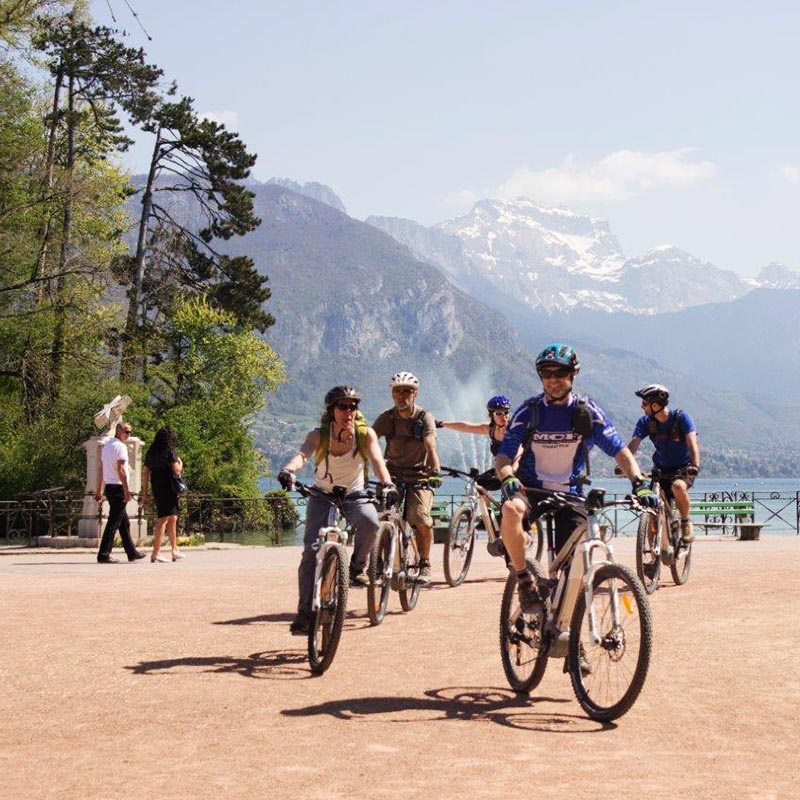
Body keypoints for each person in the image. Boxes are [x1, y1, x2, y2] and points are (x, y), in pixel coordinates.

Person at [495, 343, 656, 614]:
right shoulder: (529, 412)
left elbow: (620, 452)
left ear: (574, 373)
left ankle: (567, 637)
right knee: (511, 509)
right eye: (546, 373)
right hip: (531, 489)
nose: (553, 379)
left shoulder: (587, 413)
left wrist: (638, 483)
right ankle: (524, 580)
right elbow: (503, 457)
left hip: (570, 493)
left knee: (574, 575)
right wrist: (507, 476)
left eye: (560, 372)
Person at [278, 386, 397, 636]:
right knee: (311, 551)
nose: (349, 411)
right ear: (331, 410)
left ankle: (356, 566)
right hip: (322, 494)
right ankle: (304, 613)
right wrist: (289, 470)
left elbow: (377, 462)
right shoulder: (319, 435)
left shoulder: (366, 436)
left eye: (353, 406)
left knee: (371, 522)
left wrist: (387, 484)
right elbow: (303, 455)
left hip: (354, 494)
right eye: (343, 406)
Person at [372, 371, 442, 584]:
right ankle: (379, 562)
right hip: (391, 476)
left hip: (419, 476)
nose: (401, 396)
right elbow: (370, 441)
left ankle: (425, 564)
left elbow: (430, 444)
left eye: (406, 392)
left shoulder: (424, 418)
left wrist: (435, 470)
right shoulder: (387, 417)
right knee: (380, 517)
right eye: (397, 392)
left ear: (415, 394)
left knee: (420, 519)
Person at [625, 384, 700, 545]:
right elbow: (633, 445)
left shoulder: (681, 418)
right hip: (660, 469)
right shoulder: (646, 422)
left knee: (678, 487)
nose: (641, 407)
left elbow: (692, 443)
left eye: (644, 403)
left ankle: (686, 522)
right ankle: (652, 556)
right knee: (653, 506)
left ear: (655, 405)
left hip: (683, 468)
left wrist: (694, 466)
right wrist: (624, 462)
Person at [94, 421, 146, 563]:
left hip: (110, 488)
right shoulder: (121, 447)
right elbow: (121, 470)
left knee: (124, 523)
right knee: (113, 523)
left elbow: (101, 470)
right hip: (118, 488)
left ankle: (132, 553)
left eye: (130, 432)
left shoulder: (107, 447)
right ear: (118, 432)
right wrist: (126, 491)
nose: (129, 435)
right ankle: (103, 554)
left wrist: (99, 490)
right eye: (126, 432)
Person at [141, 426, 185, 563]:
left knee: (172, 518)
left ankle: (174, 550)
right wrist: (180, 462)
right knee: (163, 519)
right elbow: (177, 470)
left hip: (157, 487)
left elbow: (146, 472)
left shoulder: (152, 451)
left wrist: (145, 493)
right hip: (169, 488)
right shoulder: (170, 452)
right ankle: (156, 553)